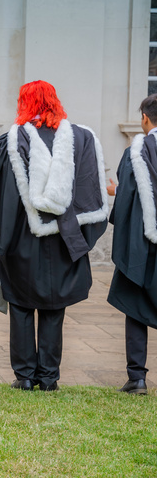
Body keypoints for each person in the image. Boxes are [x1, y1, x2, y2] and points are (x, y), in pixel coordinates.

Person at [0, 80, 107, 392]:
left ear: (24, 103)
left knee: (22, 307)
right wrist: (82, 237)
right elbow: (91, 191)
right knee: (54, 309)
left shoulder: (9, 142)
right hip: (66, 240)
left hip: (23, 238)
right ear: (54, 100)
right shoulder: (81, 138)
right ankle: (49, 377)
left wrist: (3, 239)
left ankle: (25, 376)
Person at [106, 94, 157, 395]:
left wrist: (117, 192)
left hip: (143, 245)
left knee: (136, 307)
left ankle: (137, 377)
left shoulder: (136, 151)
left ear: (145, 118)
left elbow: (128, 198)